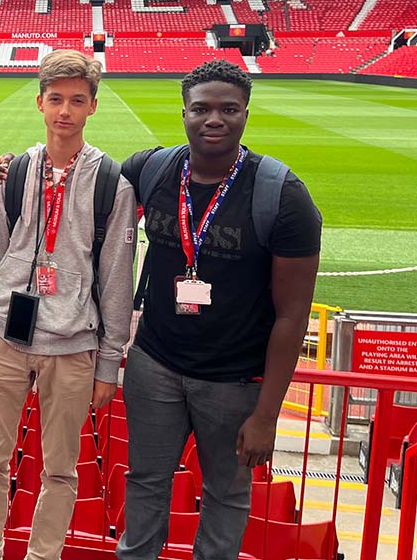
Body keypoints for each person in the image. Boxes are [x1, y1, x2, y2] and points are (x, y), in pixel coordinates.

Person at [113, 61, 321, 560]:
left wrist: (267, 415)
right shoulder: (152, 169)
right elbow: (77, 191)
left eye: (229, 109)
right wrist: (14, 174)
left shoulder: (283, 197)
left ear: (246, 114)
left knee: (226, 498)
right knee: (145, 484)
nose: (214, 119)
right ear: (183, 112)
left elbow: (292, 317)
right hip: (155, 364)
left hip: (234, 382)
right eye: (202, 108)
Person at [0, 50, 136, 560]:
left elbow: (115, 278)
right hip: (3, 335)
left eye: (77, 101)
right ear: (40, 103)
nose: (65, 111)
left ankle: (44, 553)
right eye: (56, 99)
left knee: (61, 467)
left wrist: (109, 361)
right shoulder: (12, 174)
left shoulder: (112, 183)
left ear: (92, 107)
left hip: (72, 344)